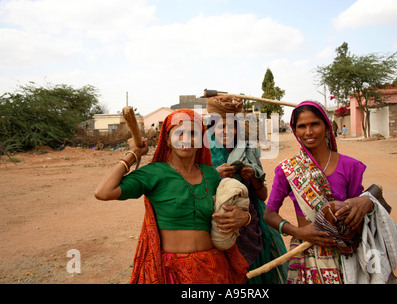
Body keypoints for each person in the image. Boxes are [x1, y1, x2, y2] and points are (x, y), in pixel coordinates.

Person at [94, 109, 248, 284]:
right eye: (179, 133)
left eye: (193, 134)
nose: (186, 140)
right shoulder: (154, 173)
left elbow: (230, 211)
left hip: (214, 269)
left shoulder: (211, 175)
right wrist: (134, 154)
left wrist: (244, 217)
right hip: (171, 273)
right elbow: (103, 192)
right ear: (167, 139)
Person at [264, 100, 374, 284]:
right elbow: (269, 215)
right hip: (306, 254)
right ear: (295, 130)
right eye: (302, 126)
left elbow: (358, 211)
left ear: (326, 125)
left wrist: (366, 202)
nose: (308, 132)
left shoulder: (350, 166)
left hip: (345, 255)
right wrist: (299, 232)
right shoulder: (287, 170)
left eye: (314, 124)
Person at [206, 95, 288, 284]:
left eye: (231, 126)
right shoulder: (203, 154)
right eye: (220, 126)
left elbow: (263, 195)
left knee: (252, 277)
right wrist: (214, 175)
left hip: (249, 224)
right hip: (217, 226)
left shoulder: (248, 150)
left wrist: (254, 178)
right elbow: (193, 189)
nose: (226, 131)